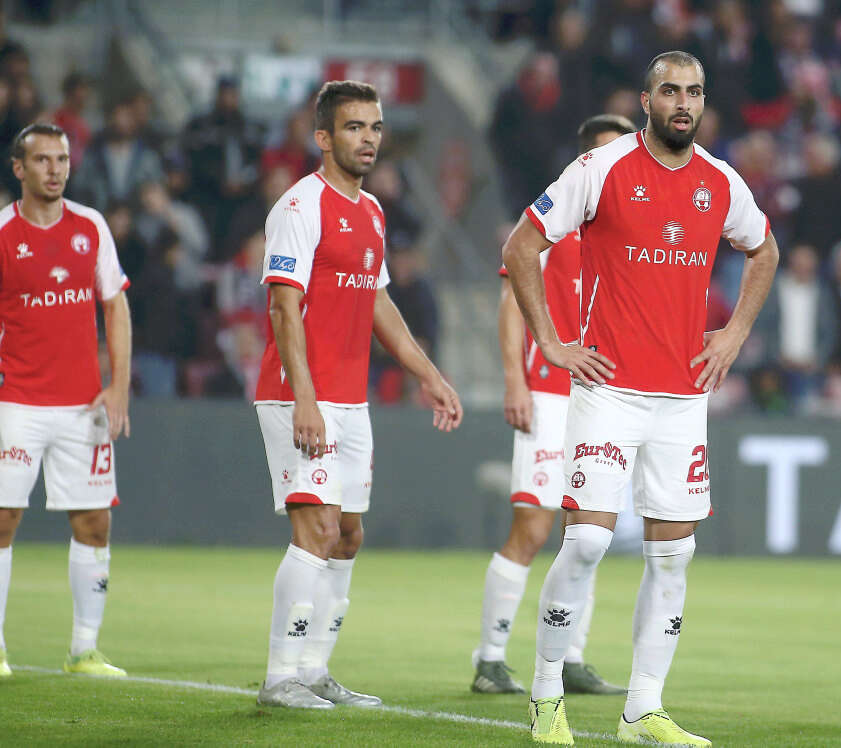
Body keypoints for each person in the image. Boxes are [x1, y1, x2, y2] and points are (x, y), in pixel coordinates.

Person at [502, 51, 779, 745]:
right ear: (646, 100)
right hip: (609, 388)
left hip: (683, 396)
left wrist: (735, 334)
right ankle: (545, 696)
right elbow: (520, 248)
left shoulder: (720, 180)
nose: (684, 103)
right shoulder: (601, 169)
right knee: (589, 541)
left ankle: (643, 710)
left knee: (674, 557)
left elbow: (765, 250)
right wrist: (552, 343)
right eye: (671, 91)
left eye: (694, 92)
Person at [254, 80, 463, 709]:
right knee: (318, 526)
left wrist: (428, 374)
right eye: (353, 127)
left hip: (351, 399)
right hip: (299, 394)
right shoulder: (300, 207)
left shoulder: (371, 211)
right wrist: (306, 398)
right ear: (323, 137)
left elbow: (378, 304)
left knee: (347, 535)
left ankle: (315, 671)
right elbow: (284, 308)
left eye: (374, 127)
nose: (368, 138)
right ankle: (280, 677)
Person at [0, 123, 132, 678]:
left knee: (94, 523)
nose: (55, 169)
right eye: (43, 160)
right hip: (15, 402)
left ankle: (84, 650)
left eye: (62, 159)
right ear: (19, 168)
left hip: (84, 405)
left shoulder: (91, 226)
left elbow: (115, 306)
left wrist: (119, 385)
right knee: (0, 519)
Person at [471, 114, 636, 697]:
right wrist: (514, 381)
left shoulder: (631, 233)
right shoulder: (551, 223)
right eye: (607, 153)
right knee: (534, 526)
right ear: (583, 160)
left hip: (605, 399)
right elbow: (510, 304)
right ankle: (491, 658)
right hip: (547, 392)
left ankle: (571, 658)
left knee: (589, 531)